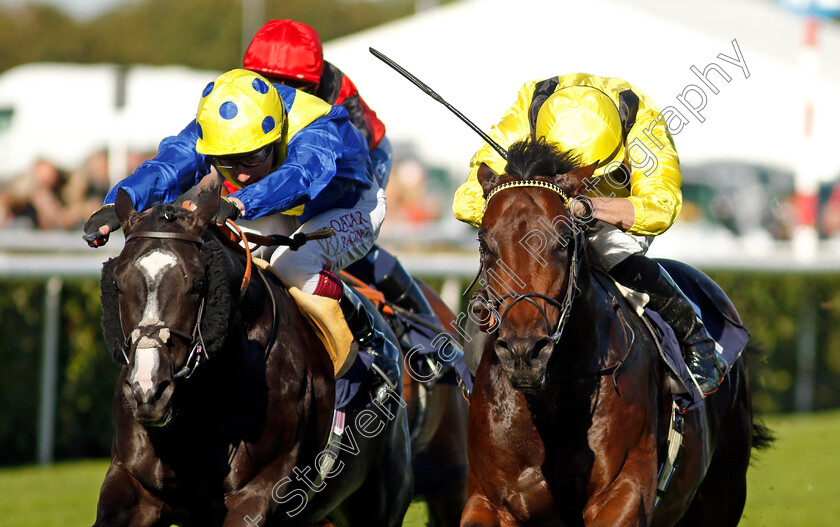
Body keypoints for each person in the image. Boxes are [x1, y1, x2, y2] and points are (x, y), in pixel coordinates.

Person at [83, 68, 399, 386]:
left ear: (276, 136)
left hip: (352, 205)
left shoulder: (318, 125)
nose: (242, 175)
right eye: (229, 163)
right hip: (284, 205)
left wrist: (240, 202)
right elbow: (169, 165)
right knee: (224, 253)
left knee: (292, 264)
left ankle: (368, 331)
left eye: (252, 158)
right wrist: (117, 202)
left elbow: (301, 175)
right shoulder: (216, 126)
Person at [452, 73, 726, 396]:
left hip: (610, 216)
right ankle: (471, 370)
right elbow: (466, 200)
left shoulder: (641, 120)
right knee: (513, 256)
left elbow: (662, 207)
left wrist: (590, 205)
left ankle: (697, 340)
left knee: (613, 254)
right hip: (543, 218)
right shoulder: (531, 107)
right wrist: (535, 201)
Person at [244, 20, 459, 378]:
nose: (282, 93)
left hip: (363, 161)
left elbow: (341, 170)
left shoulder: (338, 90)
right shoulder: (241, 92)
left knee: (338, 238)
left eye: (295, 85)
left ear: (315, 81)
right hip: (303, 170)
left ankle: (431, 341)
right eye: (269, 83)